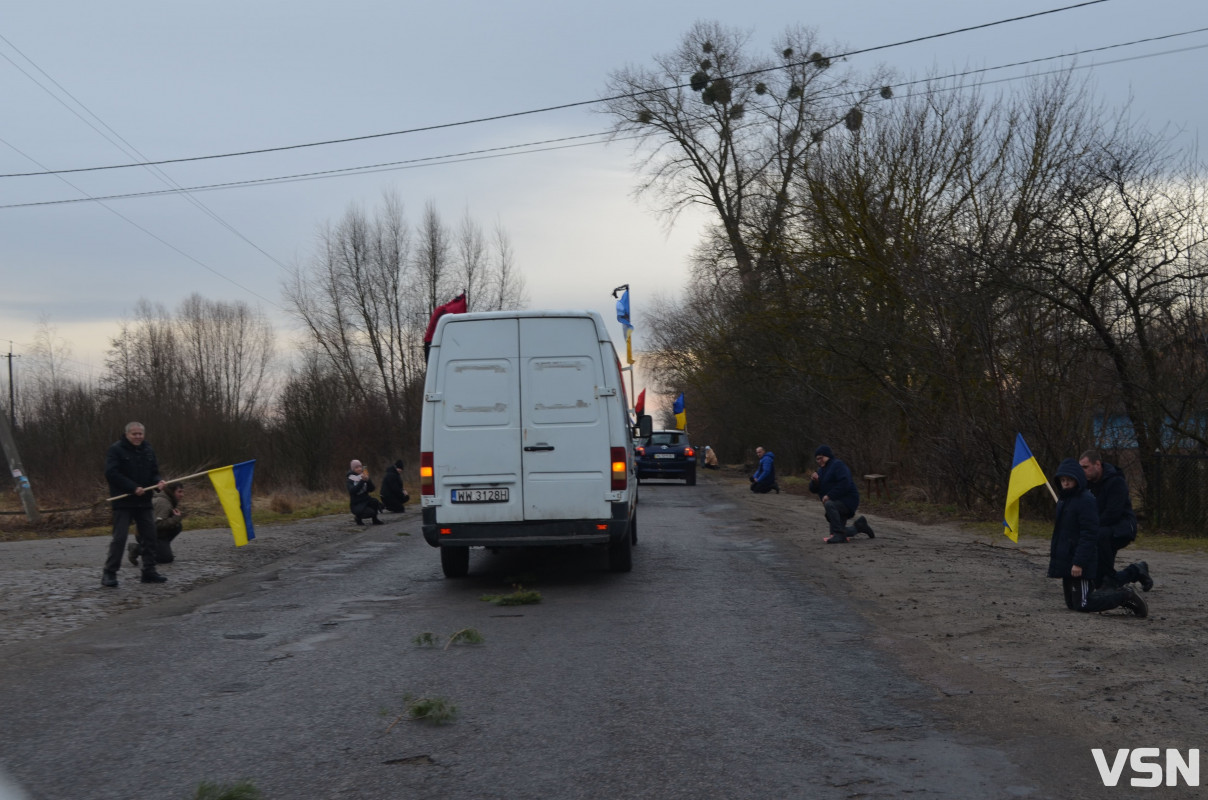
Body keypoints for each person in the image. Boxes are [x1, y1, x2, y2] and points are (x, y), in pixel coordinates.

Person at [1047, 457, 1147, 617]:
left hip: (1082, 560)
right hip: (1069, 559)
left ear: (1077, 479)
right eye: (1063, 480)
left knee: (1084, 602)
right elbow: (1061, 534)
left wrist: (1079, 562)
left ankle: (1125, 596)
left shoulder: (1085, 500)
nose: (1065, 483)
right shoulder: (1064, 502)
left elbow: (1088, 534)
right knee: (1073, 604)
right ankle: (1126, 582)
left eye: (1069, 480)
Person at [102, 421, 167, 587]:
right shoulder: (115, 450)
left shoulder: (148, 449)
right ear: (127, 434)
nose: (138, 437)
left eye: (140, 434)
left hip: (144, 501)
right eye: (134, 434)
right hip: (123, 501)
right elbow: (111, 473)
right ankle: (109, 573)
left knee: (150, 536)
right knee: (120, 538)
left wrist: (158, 481)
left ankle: (149, 572)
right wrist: (132, 488)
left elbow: (154, 472)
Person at [1079, 449, 1152, 592]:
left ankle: (1122, 576)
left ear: (1097, 464)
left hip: (1123, 527)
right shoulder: (1086, 485)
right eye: (1080, 468)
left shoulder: (1116, 482)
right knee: (1103, 581)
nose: (1083, 471)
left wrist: (1090, 527)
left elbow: (1113, 513)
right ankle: (1135, 571)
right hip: (1102, 529)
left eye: (1085, 467)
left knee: (1099, 538)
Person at [809, 444, 874, 543]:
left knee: (829, 505)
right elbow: (813, 490)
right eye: (817, 459)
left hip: (848, 501)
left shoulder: (838, 465)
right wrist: (815, 482)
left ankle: (839, 535)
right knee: (836, 530)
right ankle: (860, 526)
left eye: (821, 458)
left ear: (828, 455)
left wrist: (829, 495)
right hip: (836, 503)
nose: (819, 461)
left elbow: (845, 483)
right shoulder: (821, 471)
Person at [128, 482, 185, 566]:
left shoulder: (168, 500)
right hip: (143, 534)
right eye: (179, 492)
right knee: (166, 559)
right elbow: (157, 524)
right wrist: (175, 519)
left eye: (182, 492)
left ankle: (161, 549)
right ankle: (137, 549)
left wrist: (175, 520)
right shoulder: (163, 502)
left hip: (154, 533)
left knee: (177, 526)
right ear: (172, 492)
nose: (182, 495)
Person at [347, 459, 384, 525]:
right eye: (356, 467)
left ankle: (375, 520)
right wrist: (362, 481)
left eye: (360, 467)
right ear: (353, 469)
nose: (359, 469)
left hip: (366, 499)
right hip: (356, 503)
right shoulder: (350, 479)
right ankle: (358, 518)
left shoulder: (363, 475)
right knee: (370, 513)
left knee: (375, 502)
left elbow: (372, 489)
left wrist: (368, 480)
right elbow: (353, 491)